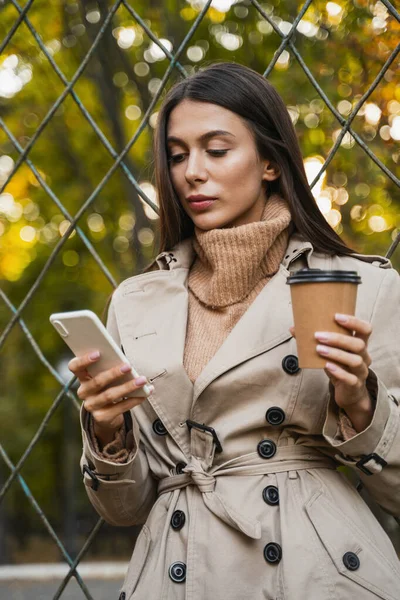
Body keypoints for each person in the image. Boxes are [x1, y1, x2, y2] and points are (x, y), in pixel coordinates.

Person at [69, 62, 400, 600]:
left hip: (312, 574)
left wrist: (360, 403)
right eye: (177, 155)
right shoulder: (136, 302)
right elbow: (125, 508)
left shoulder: (362, 286)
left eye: (216, 150)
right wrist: (109, 433)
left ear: (270, 161)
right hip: (175, 571)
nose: (191, 172)